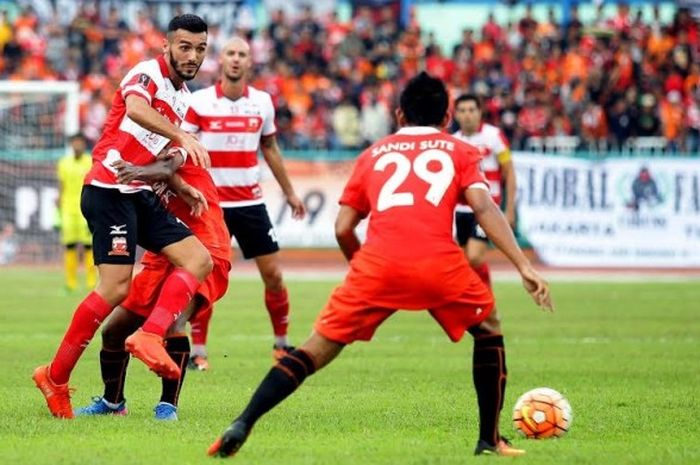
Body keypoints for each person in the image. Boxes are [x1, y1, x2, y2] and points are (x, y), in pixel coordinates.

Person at [208, 72, 553, 458]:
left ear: (399, 114)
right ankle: (489, 439)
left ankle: (245, 420)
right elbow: (484, 207)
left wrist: (363, 267)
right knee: (489, 330)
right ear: (446, 118)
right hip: (439, 263)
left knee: (314, 349)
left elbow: (342, 227)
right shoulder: (460, 150)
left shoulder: (373, 154)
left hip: (377, 265)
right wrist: (524, 266)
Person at [32, 14, 213, 419]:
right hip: (108, 190)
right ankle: (55, 377)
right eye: (184, 46)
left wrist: (181, 185)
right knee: (115, 287)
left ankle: (150, 336)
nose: (193, 55)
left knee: (198, 259)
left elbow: (154, 150)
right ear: (166, 46)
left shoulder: (182, 96)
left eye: (200, 48)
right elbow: (135, 110)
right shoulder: (146, 73)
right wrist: (183, 136)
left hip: (138, 192)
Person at [75, 147, 231, 420]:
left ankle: (167, 406)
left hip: (205, 249)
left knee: (173, 322)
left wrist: (137, 171)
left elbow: (167, 169)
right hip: (164, 253)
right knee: (114, 330)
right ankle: (112, 403)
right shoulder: (139, 151)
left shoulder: (182, 145)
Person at [182, 37, 306, 369]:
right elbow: (183, 148)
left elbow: (270, 149)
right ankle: (199, 352)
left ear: (250, 62)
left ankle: (281, 345)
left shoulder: (263, 103)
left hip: (250, 203)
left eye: (242, 55)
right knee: (205, 279)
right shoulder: (200, 102)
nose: (236, 59)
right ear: (221, 60)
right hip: (211, 206)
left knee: (274, 276)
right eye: (231, 54)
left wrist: (290, 192)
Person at [452, 94, 517, 291]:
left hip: (485, 209)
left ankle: (485, 299)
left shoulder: (494, 136)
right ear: (456, 115)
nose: (467, 115)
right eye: (462, 111)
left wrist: (510, 209)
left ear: (480, 112)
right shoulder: (453, 142)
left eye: (472, 110)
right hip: (460, 211)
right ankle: (479, 306)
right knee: (464, 263)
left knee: (475, 256)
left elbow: (509, 172)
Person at [56, 133, 96, 292]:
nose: (77, 145)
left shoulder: (90, 161)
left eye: (79, 142)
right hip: (67, 209)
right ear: (71, 144)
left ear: (83, 144)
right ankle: (70, 284)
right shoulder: (63, 163)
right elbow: (61, 184)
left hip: (85, 209)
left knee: (88, 246)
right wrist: (58, 201)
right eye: (74, 142)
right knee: (69, 245)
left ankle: (91, 282)